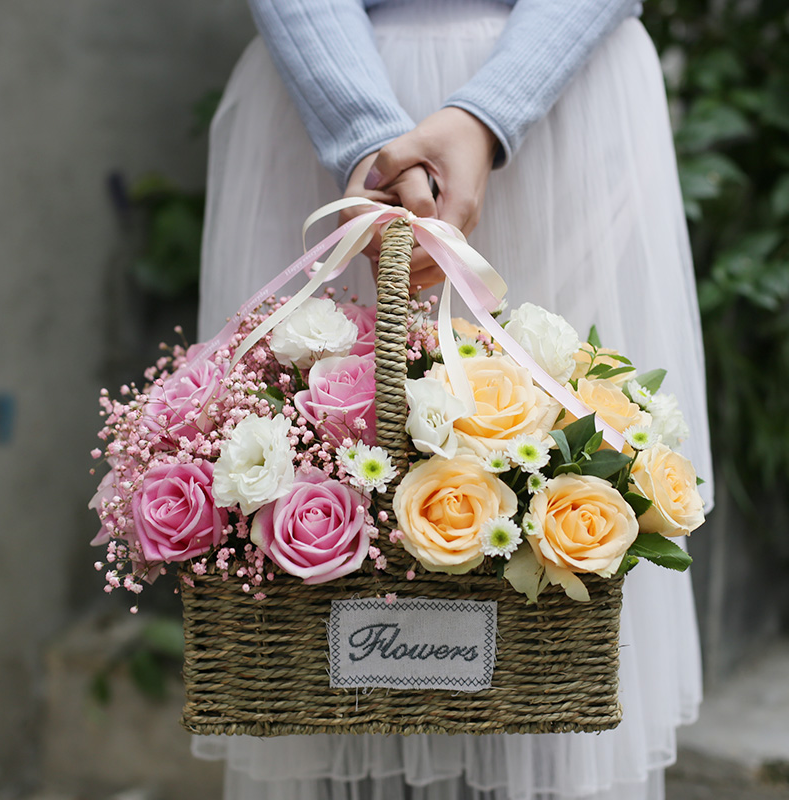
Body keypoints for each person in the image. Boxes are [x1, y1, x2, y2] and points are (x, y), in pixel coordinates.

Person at [194, 2, 715, 798]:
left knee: (564, 458)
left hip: (558, 91)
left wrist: (488, 113)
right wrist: (362, 130)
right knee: (315, 448)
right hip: (327, 81)